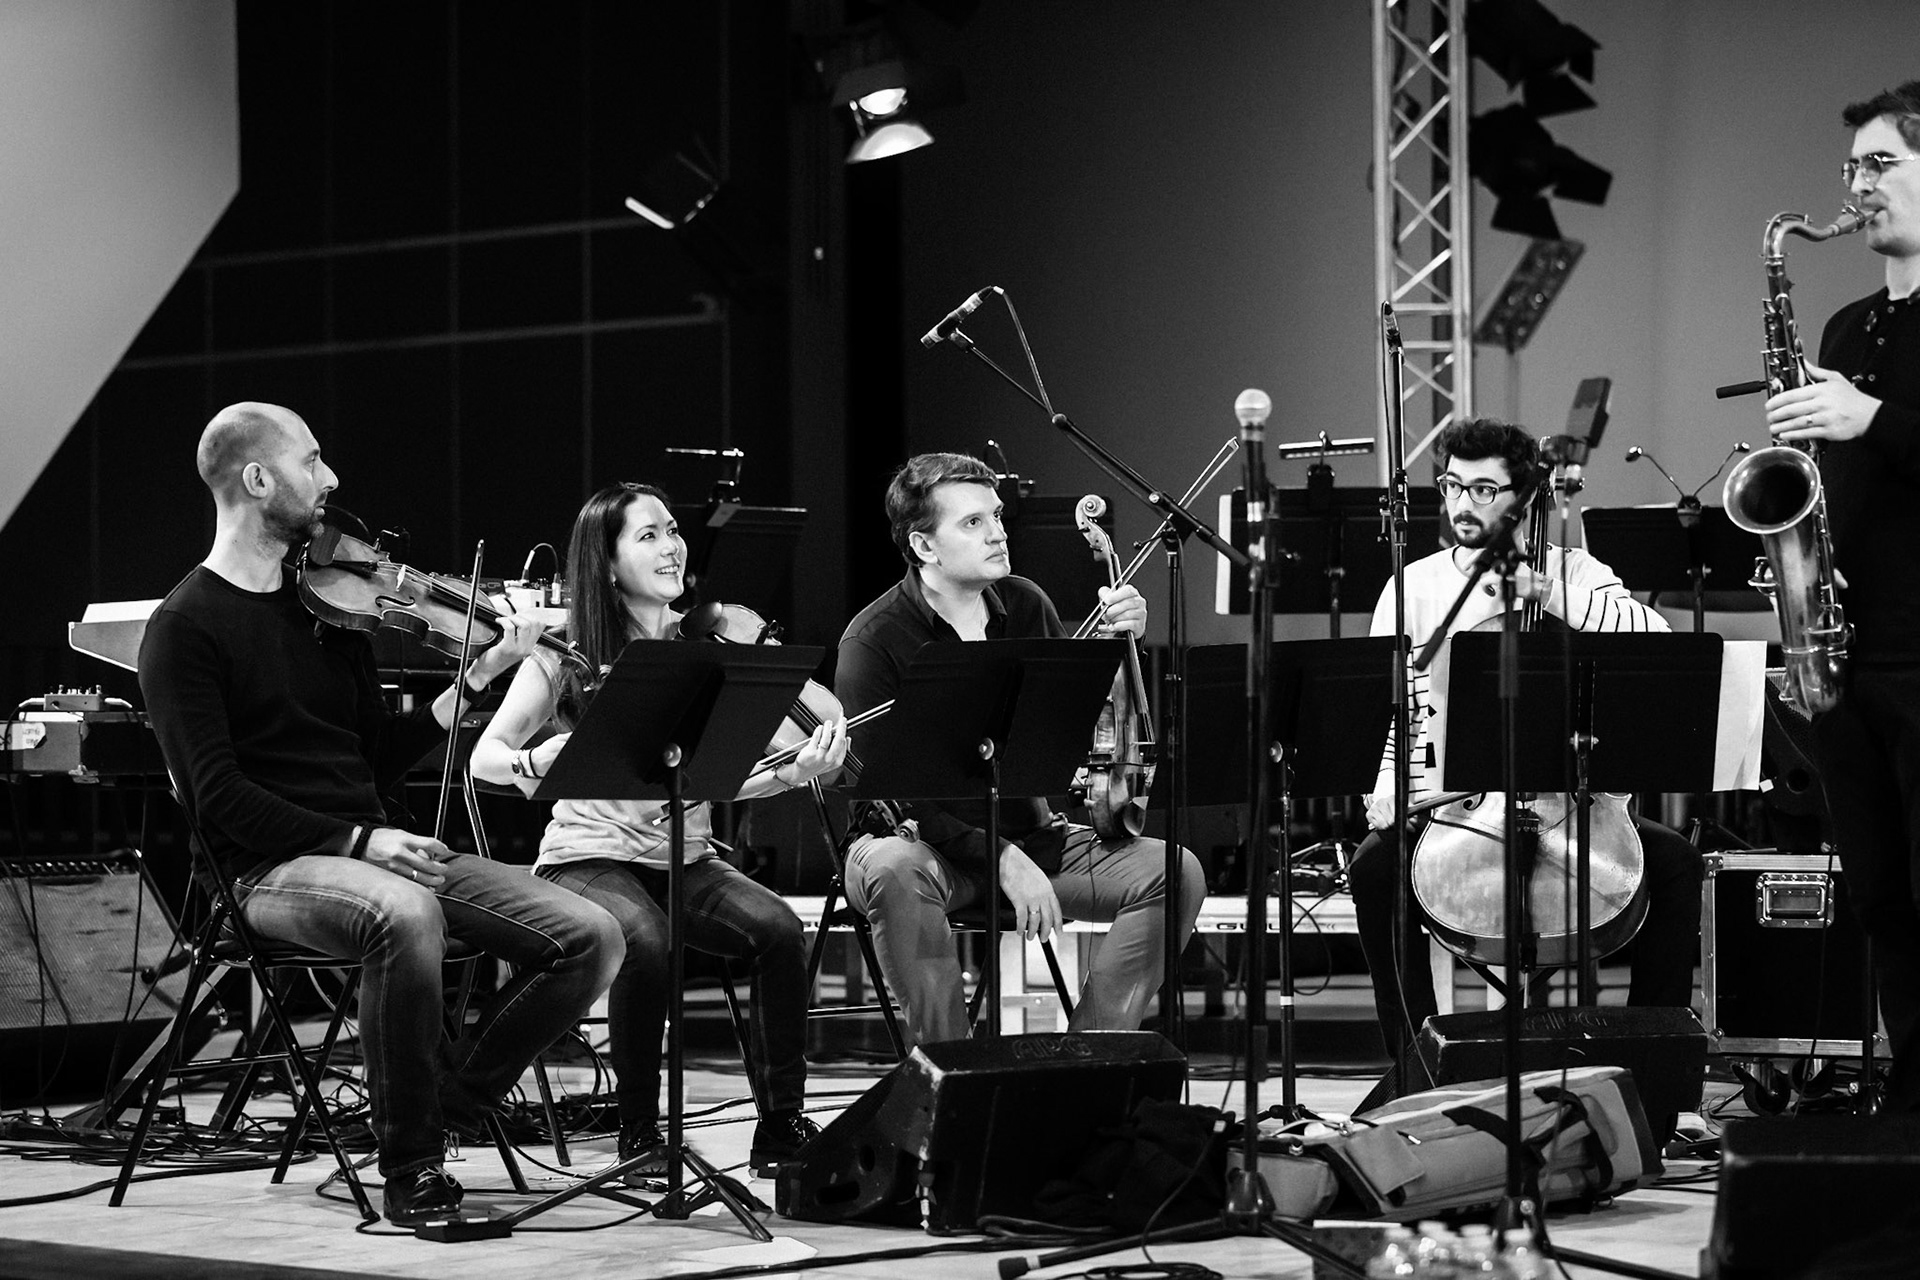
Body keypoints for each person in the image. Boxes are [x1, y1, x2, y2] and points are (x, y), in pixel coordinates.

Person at [139, 403, 625, 1226]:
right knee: (403, 913)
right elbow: (217, 796)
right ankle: (411, 1170)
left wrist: (480, 677)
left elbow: (374, 755)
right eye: (311, 461)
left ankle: (445, 1103)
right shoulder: (183, 627)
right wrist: (359, 840)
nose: (330, 479)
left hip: (370, 851)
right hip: (262, 874)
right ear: (257, 479)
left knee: (592, 935)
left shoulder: (329, 613)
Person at [471, 482, 847, 1178]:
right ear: (608, 561)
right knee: (644, 938)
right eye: (649, 535)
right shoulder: (568, 652)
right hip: (586, 859)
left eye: (672, 530)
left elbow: (719, 779)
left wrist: (791, 774)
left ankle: (781, 1126)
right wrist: (531, 760)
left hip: (685, 859)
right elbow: (484, 759)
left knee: (777, 930)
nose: (673, 546)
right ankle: (639, 1133)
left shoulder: (704, 647)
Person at [1347, 418, 1703, 1066]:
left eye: (1484, 489)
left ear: (1526, 497)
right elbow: (1389, 711)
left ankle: (1650, 1068)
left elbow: (1655, 637)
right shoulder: (1414, 585)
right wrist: (1386, 787)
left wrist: (1550, 593)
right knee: (1374, 867)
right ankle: (1417, 1067)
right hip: (1456, 806)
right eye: (1452, 485)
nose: (1462, 503)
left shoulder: (1577, 570)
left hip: (1574, 809)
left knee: (1676, 863)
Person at [834, 452, 1207, 1049]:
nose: (998, 532)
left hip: (1032, 839)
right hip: (919, 847)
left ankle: (1088, 1060)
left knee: (1174, 872)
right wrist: (1003, 859)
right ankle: (951, 1075)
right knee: (894, 867)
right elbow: (890, 795)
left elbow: (1073, 728)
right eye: (973, 522)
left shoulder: (1028, 604)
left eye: (997, 516)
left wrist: (1122, 647)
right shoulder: (873, 640)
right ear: (924, 546)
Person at [1763, 80, 1920, 1110]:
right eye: (1852, 166)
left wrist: (1875, 419)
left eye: (1881, 163)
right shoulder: (1848, 322)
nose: (1857, 185)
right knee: (1881, 900)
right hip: (1846, 657)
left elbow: (1878, 435)